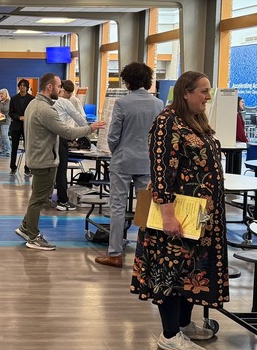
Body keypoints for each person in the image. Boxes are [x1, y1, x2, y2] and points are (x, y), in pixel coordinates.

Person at [130, 70, 228, 350]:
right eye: (203, 91)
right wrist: (168, 214)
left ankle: (183, 324)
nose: (208, 96)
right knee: (169, 270)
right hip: (174, 213)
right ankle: (170, 334)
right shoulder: (167, 122)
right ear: (185, 92)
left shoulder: (194, 121)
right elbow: (161, 172)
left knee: (191, 269)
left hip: (199, 215)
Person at [14, 74, 105, 249]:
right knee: (38, 199)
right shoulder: (45, 109)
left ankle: (26, 227)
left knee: (38, 197)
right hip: (44, 160)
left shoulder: (33, 104)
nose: (60, 90)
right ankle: (33, 236)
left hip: (37, 157)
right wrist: (90, 128)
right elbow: (67, 132)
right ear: (49, 87)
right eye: (58, 87)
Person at [94, 62, 163, 268]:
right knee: (147, 208)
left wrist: (117, 152)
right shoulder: (158, 104)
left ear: (128, 81)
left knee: (117, 207)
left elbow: (113, 136)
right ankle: (148, 254)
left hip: (123, 160)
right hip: (147, 162)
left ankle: (115, 253)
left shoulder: (122, 104)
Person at [52, 79, 89, 211]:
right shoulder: (63, 102)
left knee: (51, 169)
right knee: (61, 170)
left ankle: (45, 197)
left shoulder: (47, 102)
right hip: (62, 136)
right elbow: (80, 119)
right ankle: (62, 200)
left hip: (53, 137)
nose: (69, 95)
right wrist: (88, 130)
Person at [8, 79, 34, 174]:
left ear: (27, 87)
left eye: (24, 85)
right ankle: (13, 167)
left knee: (28, 147)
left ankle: (27, 167)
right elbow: (10, 113)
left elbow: (34, 112)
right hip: (16, 126)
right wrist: (19, 117)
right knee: (14, 147)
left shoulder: (32, 99)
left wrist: (27, 117)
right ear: (18, 87)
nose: (22, 87)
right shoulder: (13, 99)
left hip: (27, 126)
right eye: (20, 85)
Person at [0, 88, 11, 157]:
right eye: (0, 93)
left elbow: (6, 109)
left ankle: (8, 151)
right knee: (1, 137)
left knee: (5, 136)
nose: (0, 95)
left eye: (2, 93)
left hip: (5, 121)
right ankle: (4, 150)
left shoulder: (9, 102)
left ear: (6, 94)